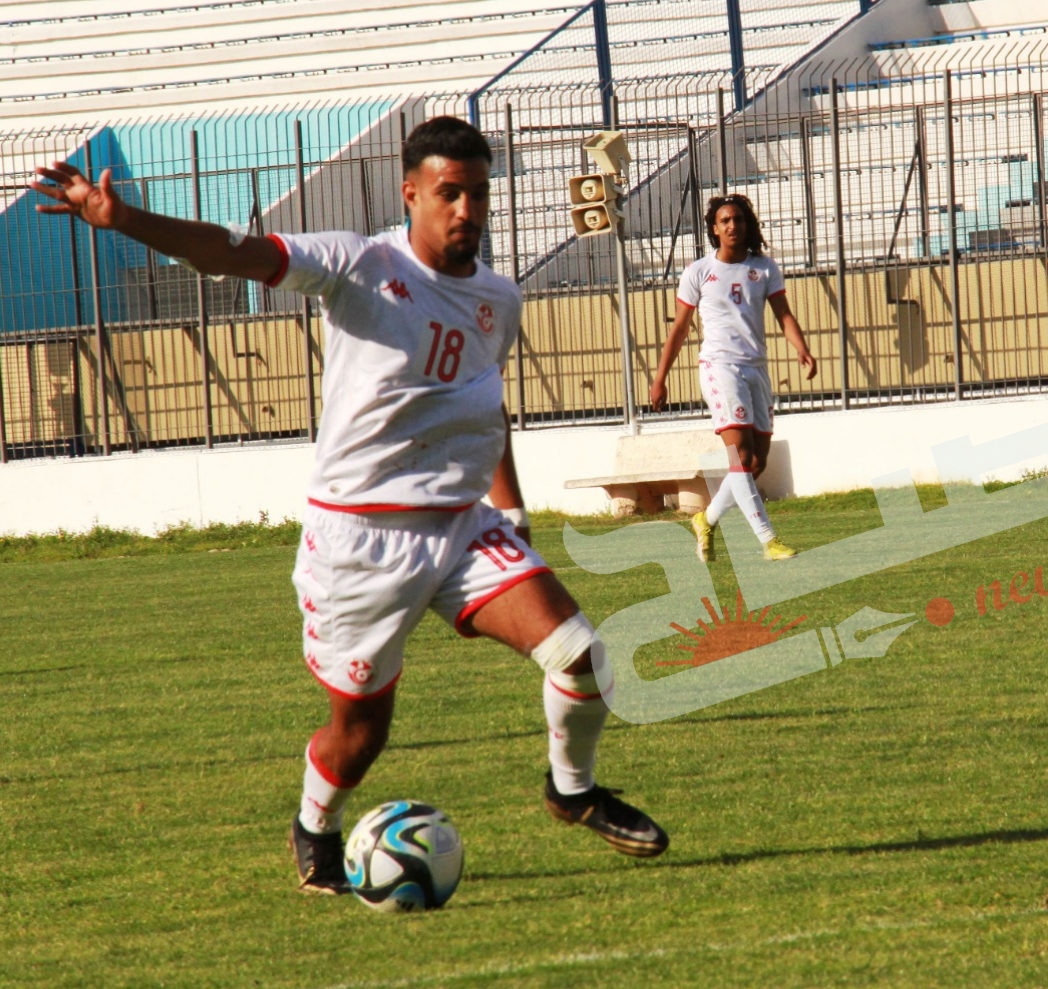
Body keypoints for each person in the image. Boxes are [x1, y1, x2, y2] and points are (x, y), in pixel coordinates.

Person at [32, 116, 669, 894]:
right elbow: (233, 253)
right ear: (412, 195)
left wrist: (515, 511)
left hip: (463, 527)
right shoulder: (357, 265)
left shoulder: (499, 297)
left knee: (581, 654)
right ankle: (315, 821)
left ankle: (572, 791)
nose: (466, 209)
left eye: (477, 193)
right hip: (361, 543)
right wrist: (124, 219)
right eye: (449, 194)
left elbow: (482, 406)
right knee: (360, 736)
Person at [647, 193, 817, 563]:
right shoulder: (698, 272)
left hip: (756, 368)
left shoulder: (765, 268)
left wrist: (801, 347)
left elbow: (783, 314)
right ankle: (768, 540)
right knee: (739, 456)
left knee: (756, 463)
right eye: (724, 220)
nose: (732, 226)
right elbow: (680, 328)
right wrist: (660, 378)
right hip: (719, 367)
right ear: (714, 228)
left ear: (747, 224)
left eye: (737, 219)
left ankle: (704, 520)